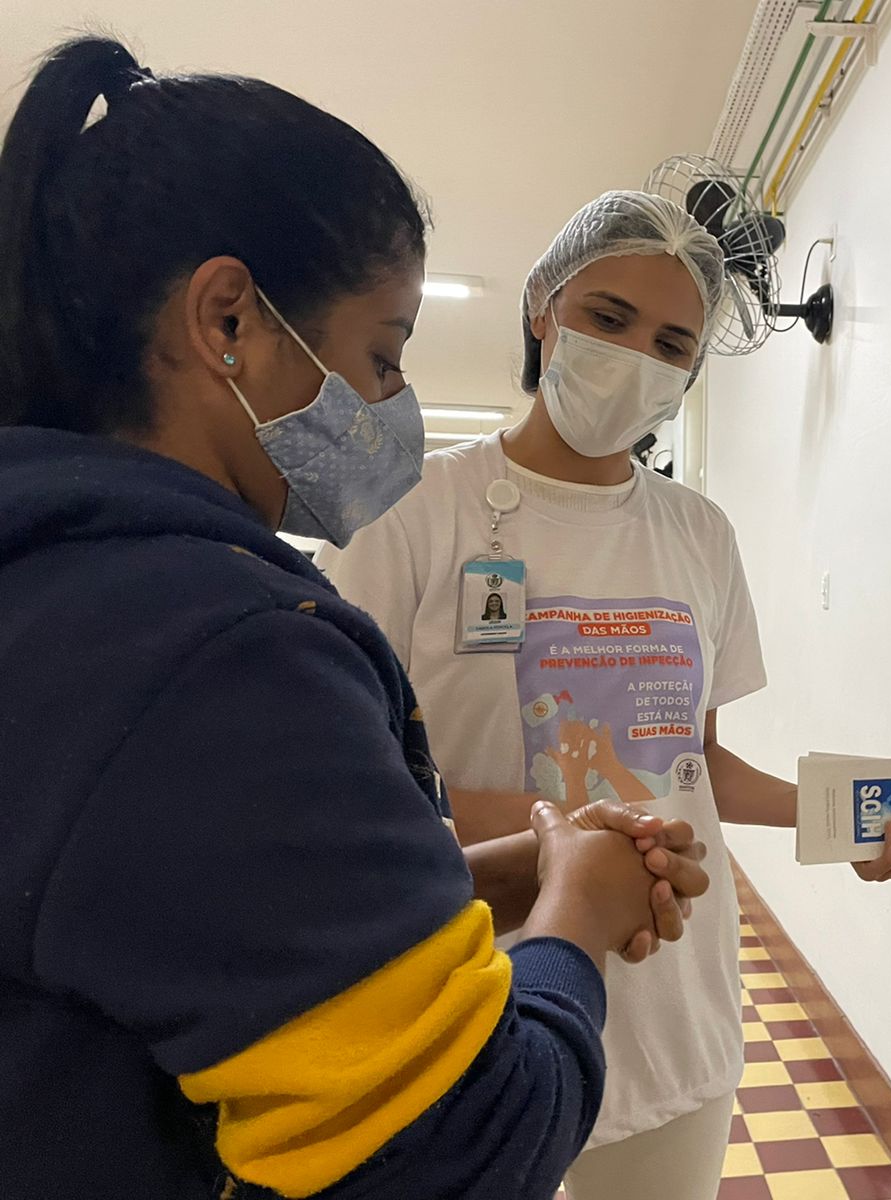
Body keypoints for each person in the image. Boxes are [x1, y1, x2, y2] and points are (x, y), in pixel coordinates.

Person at [0, 40, 712, 1200]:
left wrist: (486, 877)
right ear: (228, 319)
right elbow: (466, 1145)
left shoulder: (64, 582)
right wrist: (576, 912)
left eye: (674, 342)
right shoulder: (218, 650)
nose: (389, 405)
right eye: (382, 356)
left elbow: (210, 900)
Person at [318, 190, 891, 1200]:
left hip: (671, 993)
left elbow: (695, 769)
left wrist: (851, 820)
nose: (635, 359)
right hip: (466, 989)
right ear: (543, 305)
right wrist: (572, 833)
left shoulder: (698, 534)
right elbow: (345, 786)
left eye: (671, 344)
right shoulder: (409, 513)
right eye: (608, 318)